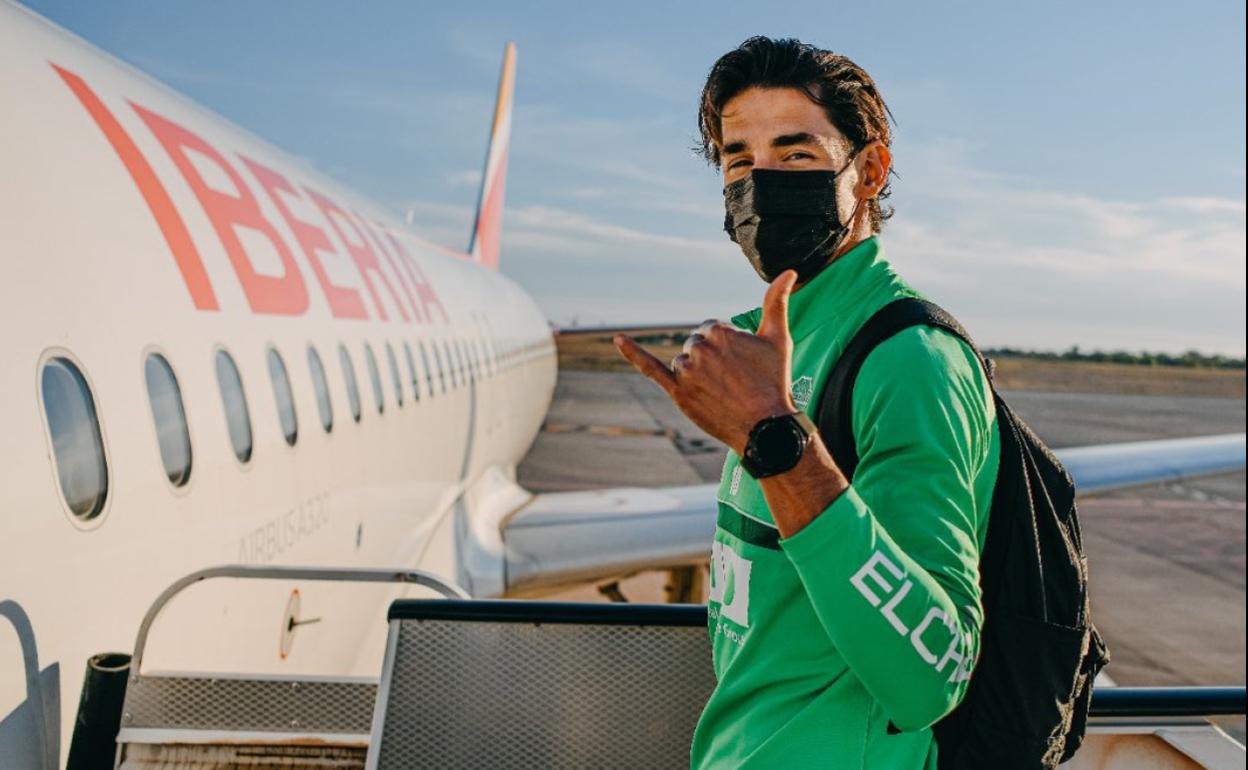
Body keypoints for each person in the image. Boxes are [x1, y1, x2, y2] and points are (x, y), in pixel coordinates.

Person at [615, 37, 1001, 769]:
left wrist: (773, 439)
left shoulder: (909, 361)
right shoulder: (787, 338)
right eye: (738, 160)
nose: (760, 183)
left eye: (795, 155)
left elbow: (931, 676)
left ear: (871, 170)